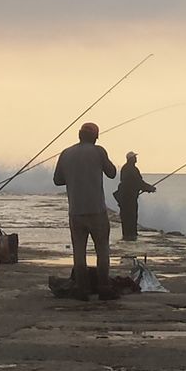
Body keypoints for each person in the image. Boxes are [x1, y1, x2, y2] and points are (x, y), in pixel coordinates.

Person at [52, 121, 118, 300]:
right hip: (97, 210)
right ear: (95, 137)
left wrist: (74, 176)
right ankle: (104, 288)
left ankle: (82, 289)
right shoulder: (98, 151)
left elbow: (57, 180)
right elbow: (112, 172)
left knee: (79, 252)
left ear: (79, 135)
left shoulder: (66, 153)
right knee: (102, 250)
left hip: (76, 211)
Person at [114, 150, 156, 241]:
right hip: (129, 199)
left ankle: (127, 238)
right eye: (134, 157)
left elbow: (137, 183)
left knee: (126, 220)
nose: (136, 158)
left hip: (125, 198)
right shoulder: (132, 169)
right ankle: (131, 239)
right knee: (131, 219)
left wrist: (146, 188)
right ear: (131, 159)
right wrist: (150, 188)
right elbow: (138, 182)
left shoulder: (125, 168)